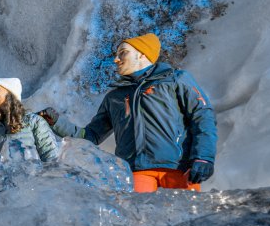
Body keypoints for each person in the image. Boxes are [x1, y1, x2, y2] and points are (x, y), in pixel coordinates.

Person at [38, 33, 216, 192]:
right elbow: (90, 136)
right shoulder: (115, 97)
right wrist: (55, 121)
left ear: (141, 54)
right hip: (137, 172)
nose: (116, 59)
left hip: (179, 168)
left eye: (123, 52)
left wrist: (203, 158)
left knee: (186, 224)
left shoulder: (176, 80)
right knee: (141, 223)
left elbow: (203, 116)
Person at [0, 77, 59, 183]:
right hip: (0, 193)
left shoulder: (33, 121)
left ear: (10, 92)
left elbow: (50, 156)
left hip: (30, 189)